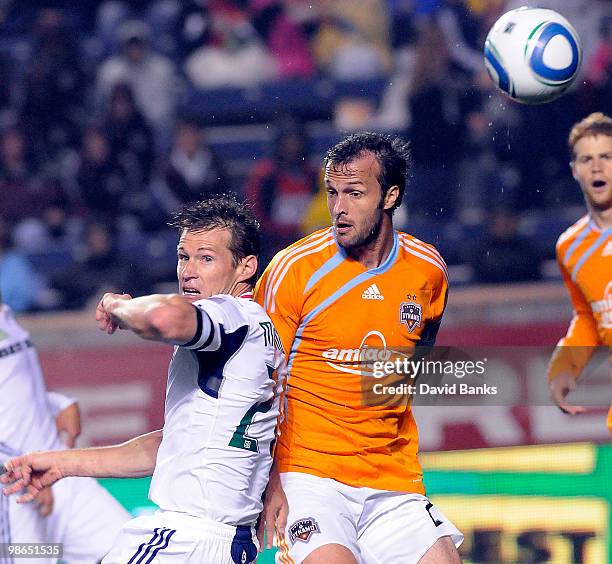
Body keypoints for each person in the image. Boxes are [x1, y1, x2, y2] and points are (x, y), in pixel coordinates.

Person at [3, 194, 284, 563]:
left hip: (187, 539)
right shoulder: (255, 331)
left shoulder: (229, 314)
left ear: (246, 267)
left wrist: (116, 305)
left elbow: (165, 318)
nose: (189, 271)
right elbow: (170, 446)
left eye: (206, 258)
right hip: (220, 542)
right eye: (184, 256)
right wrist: (62, 463)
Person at [254, 133, 463, 563]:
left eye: (354, 193)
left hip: (392, 477)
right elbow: (256, 383)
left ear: (391, 196)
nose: (339, 208)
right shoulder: (293, 270)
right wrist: (270, 481)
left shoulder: (429, 271)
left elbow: (414, 361)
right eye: (332, 192)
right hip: (309, 476)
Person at [0, 290, 131, 562]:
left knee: (130, 553)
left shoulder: (3, 312)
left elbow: (11, 386)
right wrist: (21, 467)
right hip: (14, 495)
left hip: (59, 471)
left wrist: (56, 404)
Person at [546, 112, 612, 431]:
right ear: (575, 171)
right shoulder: (570, 247)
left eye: (606, 157)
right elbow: (588, 316)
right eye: (587, 159)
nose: (597, 167)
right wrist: (565, 366)